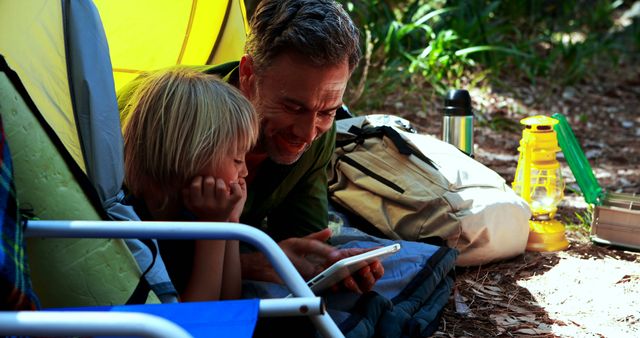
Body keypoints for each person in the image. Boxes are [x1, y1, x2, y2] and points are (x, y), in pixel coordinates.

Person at [118, 0, 383, 293]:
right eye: (292, 106)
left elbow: (302, 241)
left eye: (327, 112)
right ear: (248, 74)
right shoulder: (164, 117)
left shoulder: (317, 135)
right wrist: (256, 261)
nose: (307, 133)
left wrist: (326, 265)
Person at [121, 67, 260, 301]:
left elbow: (230, 301)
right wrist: (213, 228)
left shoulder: (188, 212)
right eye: (237, 159)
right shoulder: (135, 225)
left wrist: (230, 222)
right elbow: (197, 318)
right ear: (191, 155)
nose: (244, 170)